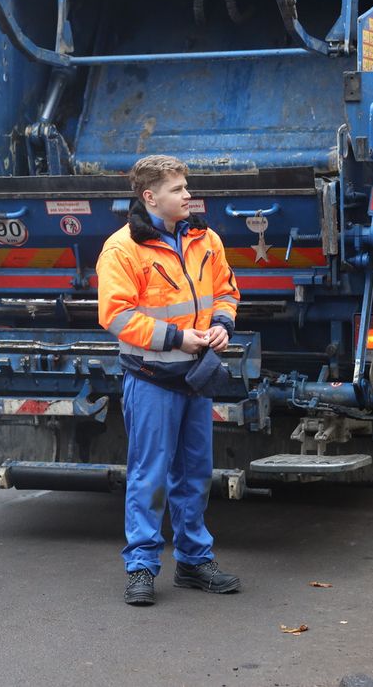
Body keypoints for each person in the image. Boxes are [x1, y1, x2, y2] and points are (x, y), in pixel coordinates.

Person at [96, 154, 243, 606]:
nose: (187, 195)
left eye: (186, 187)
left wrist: (222, 323)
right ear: (150, 197)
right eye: (178, 189)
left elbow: (227, 289)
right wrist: (181, 336)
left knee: (195, 474)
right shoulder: (122, 249)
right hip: (152, 378)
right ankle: (141, 568)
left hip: (194, 378)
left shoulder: (206, 238)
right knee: (150, 476)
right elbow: (116, 316)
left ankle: (194, 563)